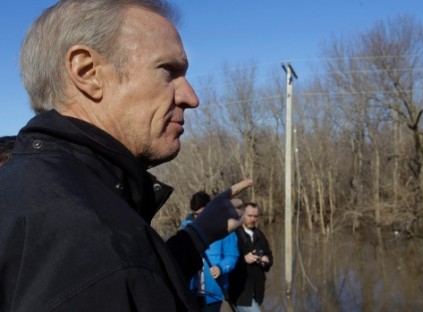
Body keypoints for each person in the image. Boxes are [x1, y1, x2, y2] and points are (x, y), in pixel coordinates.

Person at [0, 1, 252, 311]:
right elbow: (115, 270)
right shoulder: (91, 236)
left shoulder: (23, 191)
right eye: (168, 72)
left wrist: (198, 235)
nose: (191, 97)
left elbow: (135, 280)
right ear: (88, 72)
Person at [180, 191, 239, 311]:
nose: (199, 218)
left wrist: (220, 268)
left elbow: (232, 256)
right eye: (196, 214)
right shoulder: (185, 229)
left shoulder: (226, 229)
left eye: (202, 213)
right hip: (190, 293)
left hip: (213, 294)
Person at [229, 202, 273, 312]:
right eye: (250, 216)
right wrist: (243, 259)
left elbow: (270, 257)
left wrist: (266, 261)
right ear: (242, 215)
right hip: (240, 291)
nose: (253, 219)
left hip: (257, 291)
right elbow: (226, 260)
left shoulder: (260, 236)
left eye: (255, 216)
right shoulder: (234, 235)